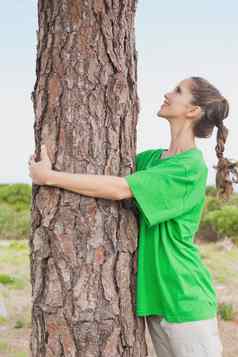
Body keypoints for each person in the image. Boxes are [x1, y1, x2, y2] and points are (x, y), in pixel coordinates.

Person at [28, 77, 237, 357]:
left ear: (192, 110)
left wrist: (50, 177)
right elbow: (105, 177)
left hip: (185, 298)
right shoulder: (152, 160)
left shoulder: (189, 167)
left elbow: (119, 188)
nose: (167, 93)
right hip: (157, 301)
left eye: (177, 91)